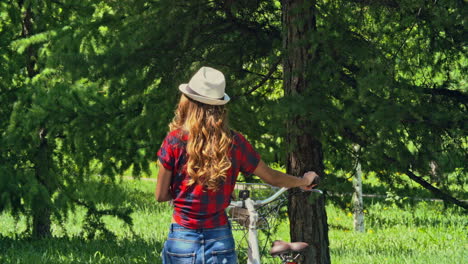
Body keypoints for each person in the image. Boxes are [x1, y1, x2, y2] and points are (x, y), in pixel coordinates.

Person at [155, 66, 319, 264]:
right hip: (219, 240)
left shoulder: (173, 141)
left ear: (188, 102)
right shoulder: (234, 143)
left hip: (182, 239)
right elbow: (271, 177)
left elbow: (161, 195)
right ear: (220, 107)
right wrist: (302, 180)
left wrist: (186, 191)